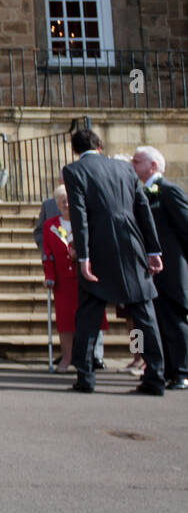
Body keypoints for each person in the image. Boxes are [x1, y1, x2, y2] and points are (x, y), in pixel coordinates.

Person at [62, 127, 165, 395]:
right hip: (132, 244)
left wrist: (83, 256)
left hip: (98, 247)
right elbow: (142, 208)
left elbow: (80, 215)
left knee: (88, 316)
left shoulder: (74, 172)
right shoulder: (125, 169)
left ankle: (86, 376)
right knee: (144, 313)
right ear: (99, 145)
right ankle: (154, 375)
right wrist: (153, 250)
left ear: (75, 149)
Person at [34, 174, 105, 369]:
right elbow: (46, 250)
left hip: (85, 276)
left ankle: (95, 356)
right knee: (65, 321)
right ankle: (67, 357)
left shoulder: (86, 221)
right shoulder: (51, 225)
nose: (66, 204)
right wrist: (49, 275)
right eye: (62, 201)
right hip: (63, 279)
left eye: (69, 201)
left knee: (90, 318)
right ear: (56, 204)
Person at [132, 146, 188, 390]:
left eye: (137, 161)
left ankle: (182, 372)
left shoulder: (168, 191)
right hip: (148, 272)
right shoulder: (141, 192)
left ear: (152, 165)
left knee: (175, 320)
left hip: (171, 269)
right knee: (157, 322)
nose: (132, 165)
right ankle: (164, 368)